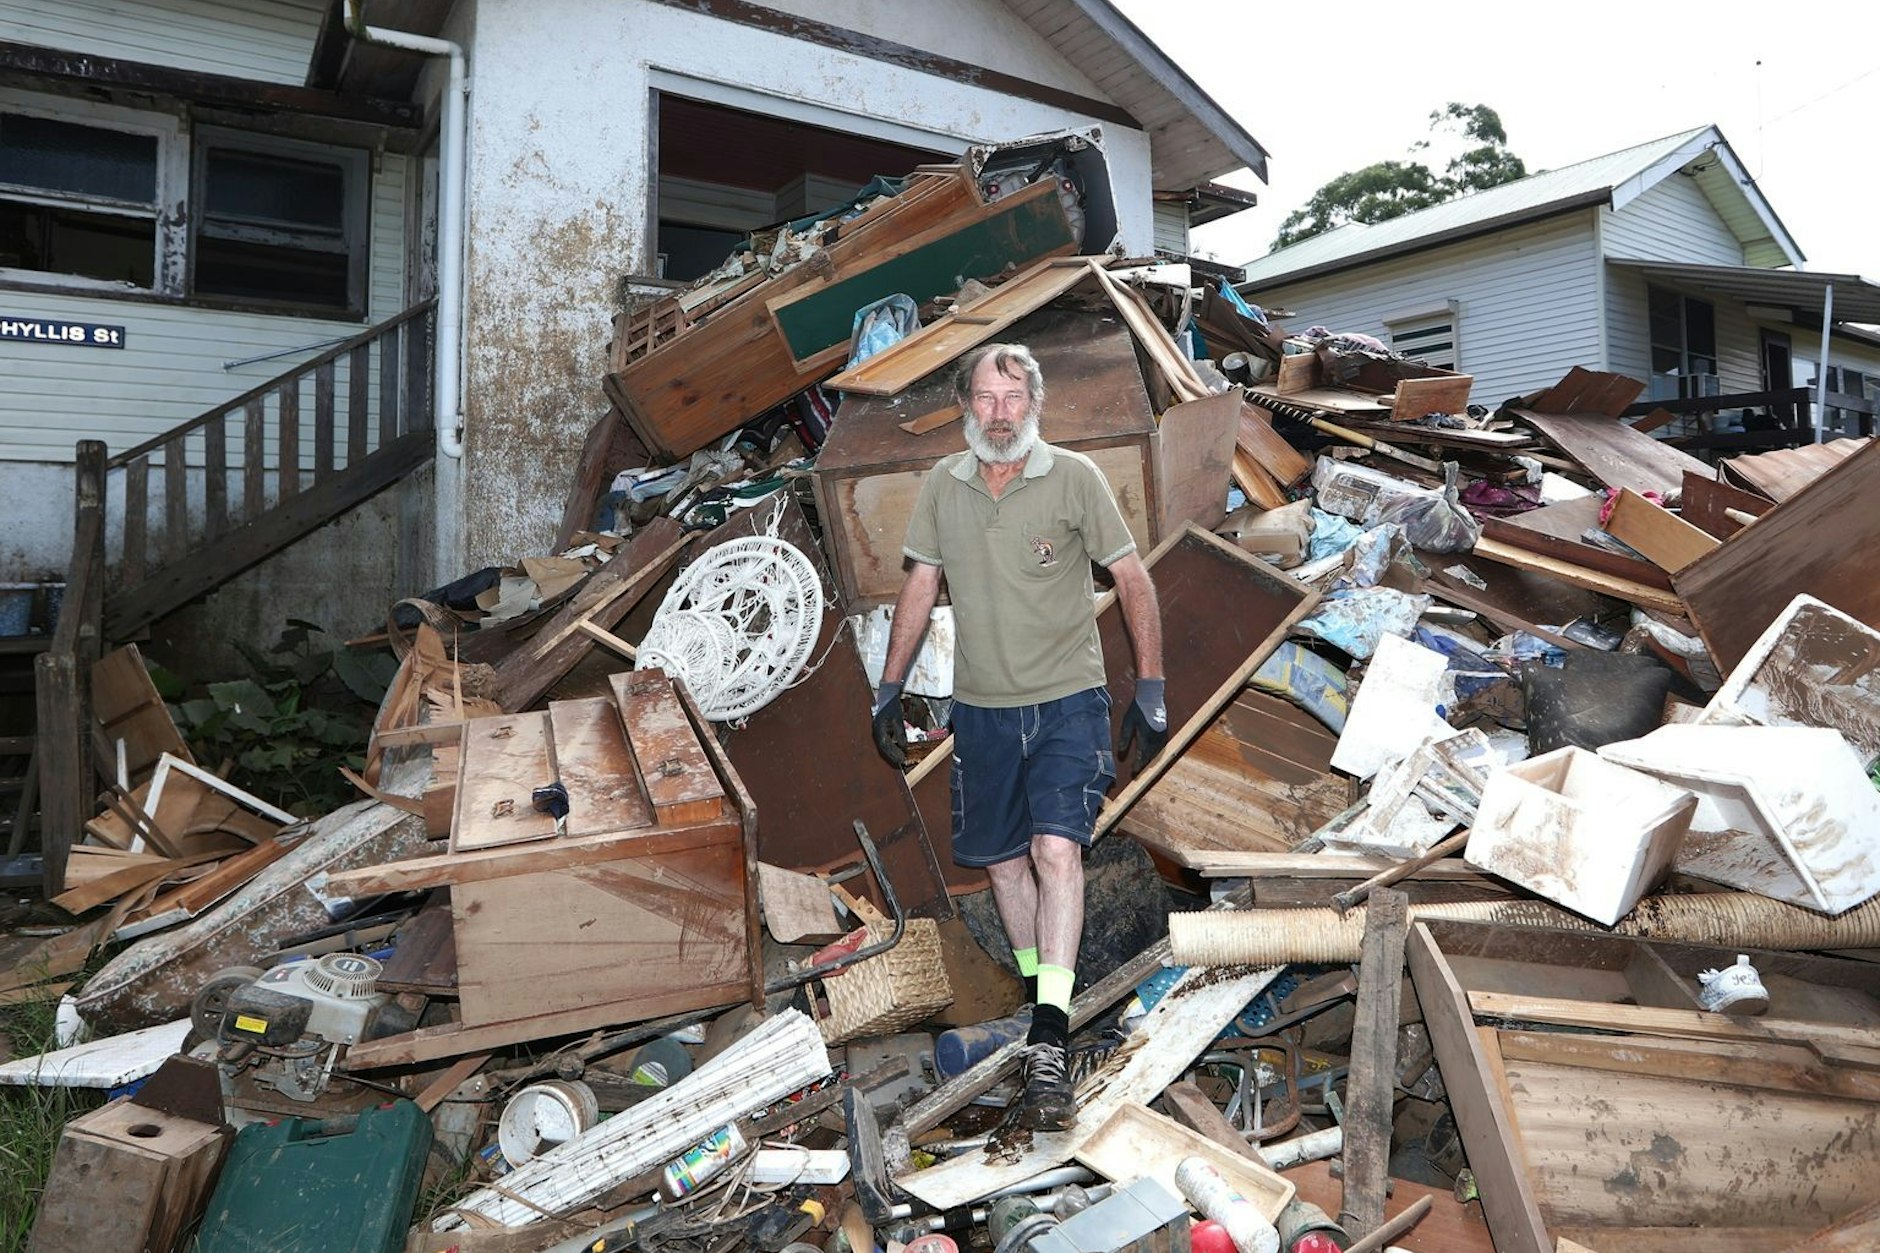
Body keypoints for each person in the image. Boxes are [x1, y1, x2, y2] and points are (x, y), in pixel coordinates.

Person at [869, 342, 1167, 1130]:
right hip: (984, 709)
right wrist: (889, 687)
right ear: (966, 405)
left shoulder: (1074, 477)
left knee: (1054, 850)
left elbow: (1132, 577)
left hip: (1069, 700)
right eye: (985, 397)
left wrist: (1151, 685)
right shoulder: (944, 484)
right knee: (1003, 864)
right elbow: (921, 584)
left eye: (1012, 397)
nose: (999, 413)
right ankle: (1045, 997)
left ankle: (1049, 1036)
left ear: (1034, 402)